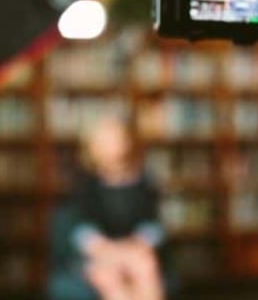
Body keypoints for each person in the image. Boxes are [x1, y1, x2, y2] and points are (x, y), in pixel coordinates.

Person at [47, 116, 169, 300]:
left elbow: (153, 223)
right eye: (103, 141)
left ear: (126, 142)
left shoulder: (142, 181)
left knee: (145, 268)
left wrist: (136, 245)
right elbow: (80, 227)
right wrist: (106, 249)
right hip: (99, 253)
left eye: (115, 139)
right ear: (91, 147)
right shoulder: (84, 184)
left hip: (135, 249)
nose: (110, 146)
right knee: (108, 277)